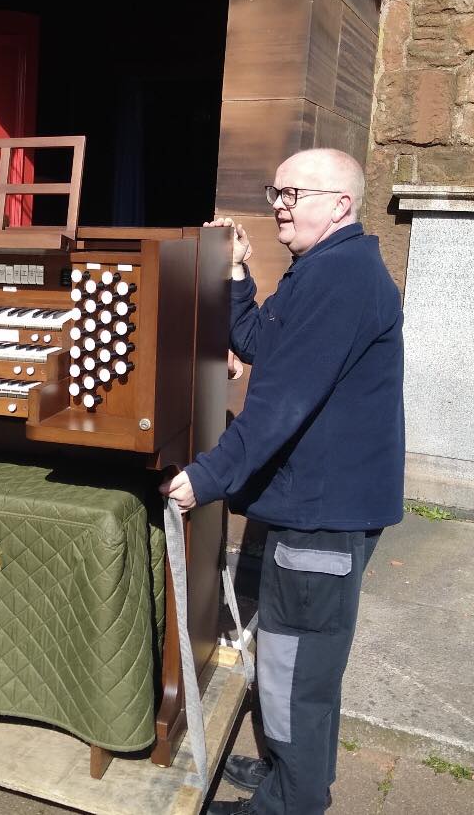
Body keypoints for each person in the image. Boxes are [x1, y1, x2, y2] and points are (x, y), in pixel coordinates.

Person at [162, 149, 404, 815]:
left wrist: (206, 476)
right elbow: (263, 343)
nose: (279, 206)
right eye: (278, 191)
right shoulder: (324, 269)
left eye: (295, 194)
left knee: (296, 671)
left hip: (323, 512)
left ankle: (290, 804)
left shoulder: (341, 279)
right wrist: (239, 272)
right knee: (300, 662)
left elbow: (282, 402)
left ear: (341, 204)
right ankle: (292, 775)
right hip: (316, 502)